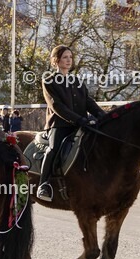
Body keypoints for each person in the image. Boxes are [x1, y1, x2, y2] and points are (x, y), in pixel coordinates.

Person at [37, 45, 105, 202]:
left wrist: (103, 115)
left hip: (82, 124)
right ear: (56, 60)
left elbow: (88, 102)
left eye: (70, 57)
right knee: (53, 149)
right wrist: (79, 119)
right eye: (65, 57)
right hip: (60, 124)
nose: (69, 60)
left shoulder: (77, 81)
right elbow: (56, 106)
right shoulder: (49, 80)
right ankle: (44, 184)